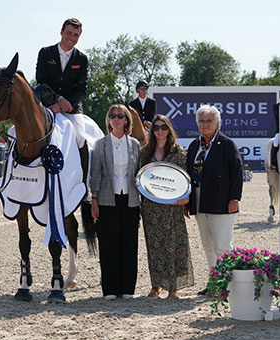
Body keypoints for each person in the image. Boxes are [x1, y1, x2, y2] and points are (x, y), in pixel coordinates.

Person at [184, 104, 243, 295]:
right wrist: (187, 201)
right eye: (201, 121)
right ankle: (214, 283)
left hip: (221, 200)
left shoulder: (227, 144)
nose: (205, 124)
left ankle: (227, 284)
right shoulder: (194, 146)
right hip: (200, 198)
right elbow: (187, 175)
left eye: (209, 121)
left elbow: (237, 173)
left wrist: (234, 198)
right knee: (208, 245)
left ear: (217, 123)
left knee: (222, 245)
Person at [139, 115, 194, 299]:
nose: (160, 130)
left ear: (169, 129)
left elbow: (187, 180)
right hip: (151, 208)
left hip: (172, 207)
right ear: (152, 131)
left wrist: (186, 199)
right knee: (154, 247)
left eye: (163, 127)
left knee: (174, 246)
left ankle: (173, 288)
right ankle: (156, 286)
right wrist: (138, 182)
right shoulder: (145, 152)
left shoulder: (179, 153)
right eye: (156, 127)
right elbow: (140, 177)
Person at [90, 104, 141, 300]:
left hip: (130, 200)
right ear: (109, 119)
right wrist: (93, 200)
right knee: (108, 244)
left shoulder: (135, 144)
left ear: (127, 120)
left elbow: (139, 172)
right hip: (106, 199)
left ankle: (128, 289)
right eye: (112, 115)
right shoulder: (100, 144)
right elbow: (95, 174)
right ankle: (110, 289)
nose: (116, 119)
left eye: (120, 116)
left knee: (129, 244)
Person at [36, 18, 89, 148]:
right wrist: (58, 99)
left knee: (81, 139)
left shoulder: (82, 59)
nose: (71, 37)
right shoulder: (45, 53)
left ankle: (84, 169)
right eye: (69, 33)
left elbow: (82, 89)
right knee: (16, 131)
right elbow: (41, 80)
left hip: (72, 107)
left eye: (75, 35)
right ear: (61, 32)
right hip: (46, 104)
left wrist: (65, 105)